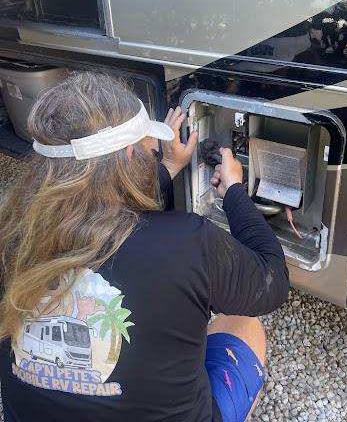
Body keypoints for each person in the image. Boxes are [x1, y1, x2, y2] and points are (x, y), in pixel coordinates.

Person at [0, 72, 289, 422]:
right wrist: (234, 192)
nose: (151, 150)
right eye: (147, 146)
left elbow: (100, 203)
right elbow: (272, 280)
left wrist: (168, 166)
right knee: (242, 323)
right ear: (128, 155)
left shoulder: (10, 238)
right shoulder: (187, 243)